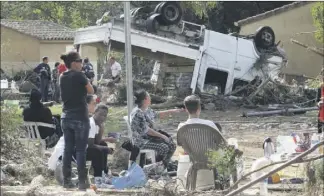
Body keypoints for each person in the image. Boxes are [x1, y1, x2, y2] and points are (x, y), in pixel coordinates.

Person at [59, 51, 94, 190]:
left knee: (67, 149)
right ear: (74, 63)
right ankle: (81, 182)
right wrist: (87, 79)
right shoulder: (80, 75)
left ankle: (66, 181)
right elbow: (91, 90)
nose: (82, 64)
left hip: (65, 117)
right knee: (80, 150)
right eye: (79, 61)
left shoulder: (62, 76)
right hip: (80, 117)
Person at [130, 89, 183, 168]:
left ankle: (164, 165)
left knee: (172, 145)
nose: (150, 98)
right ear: (145, 99)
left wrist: (173, 111)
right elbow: (147, 130)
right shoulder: (138, 113)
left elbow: (157, 114)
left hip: (149, 137)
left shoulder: (146, 109)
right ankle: (156, 167)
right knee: (163, 147)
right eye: (149, 96)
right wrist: (162, 136)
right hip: (141, 141)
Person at [87, 101, 116, 188]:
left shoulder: (96, 124)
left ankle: (104, 174)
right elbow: (91, 145)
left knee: (103, 145)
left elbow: (98, 141)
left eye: (104, 116)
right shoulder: (91, 123)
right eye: (100, 114)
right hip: (78, 151)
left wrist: (101, 128)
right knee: (99, 150)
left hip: (86, 148)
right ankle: (98, 180)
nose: (102, 117)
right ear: (95, 112)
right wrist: (105, 149)